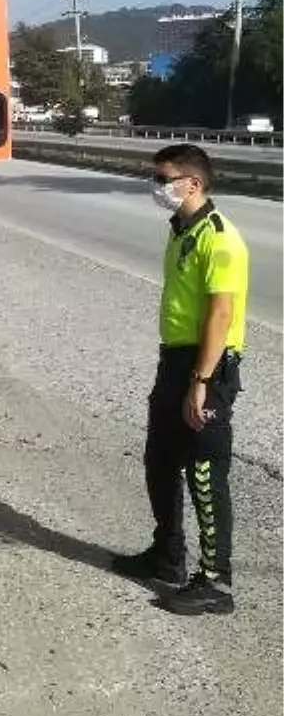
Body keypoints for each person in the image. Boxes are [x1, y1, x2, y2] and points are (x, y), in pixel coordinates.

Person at [112, 144, 250, 615]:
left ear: (193, 183)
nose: (158, 187)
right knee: (160, 460)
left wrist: (201, 381)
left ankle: (216, 583)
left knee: (205, 472)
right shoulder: (181, 230)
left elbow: (221, 313)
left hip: (206, 365)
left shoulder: (219, 237)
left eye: (164, 179)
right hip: (174, 360)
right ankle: (167, 555)